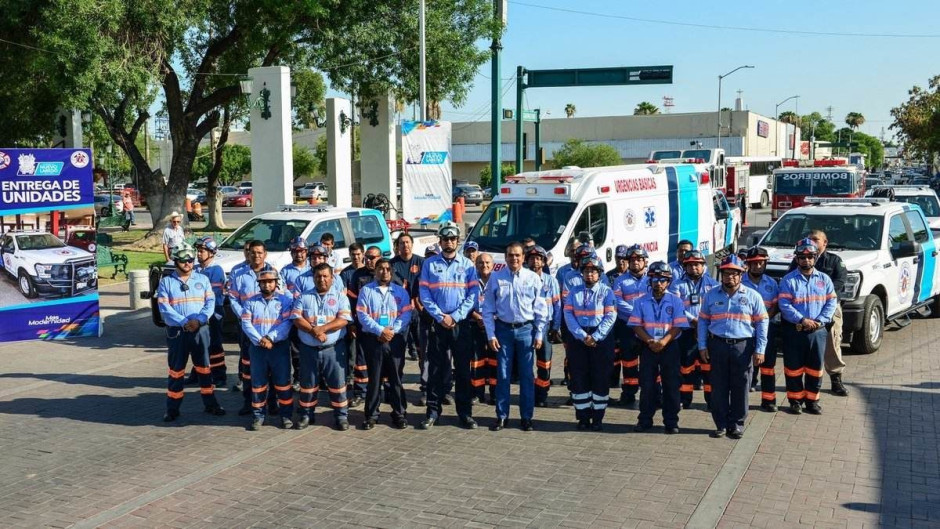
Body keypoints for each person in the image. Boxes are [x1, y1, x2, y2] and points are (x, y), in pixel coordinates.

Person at [417, 222, 480, 430]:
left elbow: (473, 295)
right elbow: (424, 294)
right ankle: (433, 412)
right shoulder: (430, 264)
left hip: (460, 325)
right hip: (438, 324)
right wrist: (440, 316)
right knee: (436, 370)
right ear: (440, 241)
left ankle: (465, 414)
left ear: (457, 241)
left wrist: (455, 316)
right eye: (445, 239)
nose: (449, 242)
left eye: (453, 239)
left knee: (462, 371)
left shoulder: (468, 265)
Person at [698, 256, 768, 439]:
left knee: (741, 386)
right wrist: (702, 345)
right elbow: (703, 321)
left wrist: (760, 349)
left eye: (734, 274)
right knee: (718, 386)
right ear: (721, 274)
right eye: (727, 273)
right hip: (717, 345)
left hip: (742, 347)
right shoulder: (711, 295)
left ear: (741, 275)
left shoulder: (753, 296)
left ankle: (736, 424)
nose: (730, 277)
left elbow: (762, 323)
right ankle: (720, 424)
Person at [156, 243, 226, 422]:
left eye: (190, 260)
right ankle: (172, 409)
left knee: (204, 368)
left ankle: (211, 404)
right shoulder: (166, 282)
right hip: (178, 332)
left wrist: (200, 320)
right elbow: (164, 307)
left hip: (200, 330)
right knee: (176, 371)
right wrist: (184, 322)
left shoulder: (202, 280)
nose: (187, 263)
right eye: (183, 260)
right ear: (176, 260)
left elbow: (210, 303)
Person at [484, 242, 547, 431]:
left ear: (523, 257)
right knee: (503, 375)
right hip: (503, 331)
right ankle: (502, 416)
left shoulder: (533, 278)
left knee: (527, 376)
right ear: (505, 258)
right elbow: (487, 309)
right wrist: (490, 334)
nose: (514, 259)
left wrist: (539, 333)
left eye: (518, 255)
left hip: (526, 331)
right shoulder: (496, 278)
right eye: (511, 255)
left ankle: (526, 417)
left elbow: (541, 308)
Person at [779, 238, 838, 415]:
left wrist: (820, 320)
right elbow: (784, 304)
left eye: (810, 257)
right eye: (802, 257)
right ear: (797, 259)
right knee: (793, 368)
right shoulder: (788, 280)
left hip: (818, 332)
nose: (806, 260)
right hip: (795, 331)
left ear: (816, 258)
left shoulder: (825, 280)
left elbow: (831, 301)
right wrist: (802, 320)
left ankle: (812, 401)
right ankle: (795, 401)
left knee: (815, 368)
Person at [291, 262, 353, 431]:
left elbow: (343, 320)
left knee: (338, 384)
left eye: (325, 276)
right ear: (313, 278)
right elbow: (296, 318)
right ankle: (306, 414)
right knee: (307, 383)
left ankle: (341, 416)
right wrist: (313, 331)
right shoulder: (303, 297)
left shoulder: (340, 297)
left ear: (332, 278)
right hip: (308, 349)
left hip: (333, 349)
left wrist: (322, 329)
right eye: (318, 276)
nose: (322, 279)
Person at [628, 261, 688, 434]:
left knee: (671, 385)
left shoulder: (676, 301)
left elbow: (678, 325)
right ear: (650, 281)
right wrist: (649, 342)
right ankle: (645, 420)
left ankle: (671, 422)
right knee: (647, 385)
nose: (658, 283)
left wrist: (663, 342)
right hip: (648, 346)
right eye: (655, 279)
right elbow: (636, 325)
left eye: (663, 280)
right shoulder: (640, 301)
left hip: (669, 346)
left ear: (668, 282)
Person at [788, 230, 849, 397]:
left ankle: (836, 379)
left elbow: (840, 281)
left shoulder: (835, 261)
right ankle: (804, 386)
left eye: (816, 239)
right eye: (810, 239)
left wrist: (822, 306)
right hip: (804, 313)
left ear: (825, 243)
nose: (812, 242)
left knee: (833, 343)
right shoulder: (799, 259)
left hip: (829, 308)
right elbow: (791, 277)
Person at [356, 259, 413, 430]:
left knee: (395, 379)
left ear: (392, 271)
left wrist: (391, 331)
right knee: (374, 379)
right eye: (381, 268)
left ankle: (399, 414)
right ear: (375, 271)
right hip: (374, 340)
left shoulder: (400, 292)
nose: (384, 272)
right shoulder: (366, 291)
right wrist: (380, 331)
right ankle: (372, 415)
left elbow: (406, 315)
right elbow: (362, 316)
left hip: (395, 340)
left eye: (388, 269)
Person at [563, 256, 616, 431]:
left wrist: (596, 336)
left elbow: (610, 316)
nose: (589, 274)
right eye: (586, 271)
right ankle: (583, 417)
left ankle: (598, 418)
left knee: (600, 378)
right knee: (579, 378)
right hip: (579, 338)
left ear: (600, 273)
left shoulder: (607, 292)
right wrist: (581, 335)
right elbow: (568, 315)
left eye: (593, 271)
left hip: (600, 339)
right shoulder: (573, 292)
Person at [227, 240, 278, 416]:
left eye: (259, 252)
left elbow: (281, 297)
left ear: (265, 254)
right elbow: (233, 298)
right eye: (253, 252)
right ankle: (249, 401)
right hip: (248, 328)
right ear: (248, 254)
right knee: (248, 366)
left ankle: (272, 403)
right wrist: (244, 314)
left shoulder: (273, 273)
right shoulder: (240, 274)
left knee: (270, 367)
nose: (256, 255)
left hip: (269, 328)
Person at [240, 269, 294, 430]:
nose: (267, 284)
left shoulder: (285, 301)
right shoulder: (250, 302)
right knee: (258, 383)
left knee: (283, 383)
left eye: (270, 281)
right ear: (259, 284)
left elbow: (287, 323)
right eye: (263, 282)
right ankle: (258, 416)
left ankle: (286, 416)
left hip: (279, 348)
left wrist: (271, 338)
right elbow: (246, 324)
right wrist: (260, 340)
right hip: (258, 348)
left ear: (276, 283)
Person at [670, 249, 719, 409]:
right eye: (690, 265)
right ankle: (685, 399)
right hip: (686, 331)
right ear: (685, 267)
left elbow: (717, 308)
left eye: (697, 265)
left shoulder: (714, 284)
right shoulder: (677, 285)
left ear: (703, 265)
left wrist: (702, 323)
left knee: (708, 367)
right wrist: (694, 321)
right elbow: (675, 307)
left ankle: (712, 401)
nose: (694, 268)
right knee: (685, 366)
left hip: (708, 330)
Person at [611, 244, 651, 408]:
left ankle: (652, 394)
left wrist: (644, 315)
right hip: (627, 327)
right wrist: (637, 313)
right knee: (628, 362)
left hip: (648, 326)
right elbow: (618, 301)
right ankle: (628, 394)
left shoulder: (652, 279)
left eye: (639, 259)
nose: (635, 262)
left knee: (649, 362)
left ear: (645, 261)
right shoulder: (620, 280)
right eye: (632, 259)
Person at [742, 247, 781, 412]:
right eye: (754, 263)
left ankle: (768, 400)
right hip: (744, 331)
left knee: (768, 366)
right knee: (742, 368)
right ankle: (739, 402)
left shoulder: (772, 283)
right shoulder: (740, 282)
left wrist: (764, 319)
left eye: (761, 263)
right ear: (748, 264)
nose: (758, 266)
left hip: (766, 330)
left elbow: (776, 305)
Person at [346, 245, 382, 408]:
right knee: (361, 361)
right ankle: (360, 392)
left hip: (382, 327)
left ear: (380, 258)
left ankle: (385, 391)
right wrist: (352, 324)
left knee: (383, 360)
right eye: (367, 257)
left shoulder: (386, 273)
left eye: (372, 257)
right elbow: (351, 302)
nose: (369, 260)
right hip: (362, 326)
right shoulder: (357, 276)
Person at [527, 246, 561, 408]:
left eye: (538, 258)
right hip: (527, 327)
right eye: (532, 258)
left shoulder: (551, 281)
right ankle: (528, 394)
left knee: (544, 363)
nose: (535, 261)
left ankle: (542, 394)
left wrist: (555, 327)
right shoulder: (523, 278)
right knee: (526, 362)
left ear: (543, 261)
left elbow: (557, 305)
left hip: (546, 327)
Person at [193, 236, 227, 386]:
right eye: (198, 251)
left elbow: (212, 293)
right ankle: (197, 372)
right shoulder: (195, 269)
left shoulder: (216, 270)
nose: (199, 254)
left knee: (214, 344)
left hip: (214, 312)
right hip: (197, 313)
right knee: (197, 344)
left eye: (202, 251)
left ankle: (219, 375)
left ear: (211, 253)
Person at [279, 236, 310, 388]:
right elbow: (283, 290)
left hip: (310, 314)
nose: (299, 254)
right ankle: (297, 376)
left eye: (302, 251)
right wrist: (298, 301)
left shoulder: (312, 269)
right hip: (293, 314)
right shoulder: (285, 271)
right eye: (295, 251)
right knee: (296, 349)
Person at [390, 234, 423, 362]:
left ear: (412, 244)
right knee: (399, 346)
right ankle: (396, 379)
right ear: (398, 246)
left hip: (418, 310)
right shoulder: (392, 264)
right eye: (402, 243)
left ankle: (426, 380)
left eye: (407, 242)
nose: (405, 245)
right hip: (400, 312)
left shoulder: (421, 262)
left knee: (422, 345)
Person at [471, 252, 496, 404]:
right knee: (476, 361)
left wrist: (491, 319)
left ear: (492, 265)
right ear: (476, 264)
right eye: (481, 263)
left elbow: (503, 303)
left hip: (494, 325)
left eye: (487, 263)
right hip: (475, 324)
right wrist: (477, 317)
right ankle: (476, 393)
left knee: (494, 362)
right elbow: (465, 301)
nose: (484, 265)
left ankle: (494, 393)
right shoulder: (471, 281)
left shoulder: (498, 281)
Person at [340, 243, 366, 392]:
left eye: (358, 254)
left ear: (362, 254)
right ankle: (350, 378)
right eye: (353, 254)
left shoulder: (368, 272)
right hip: (351, 317)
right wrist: (349, 321)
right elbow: (344, 297)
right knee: (351, 350)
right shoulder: (345, 274)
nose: (356, 257)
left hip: (367, 318)